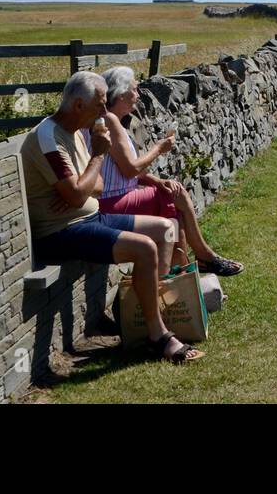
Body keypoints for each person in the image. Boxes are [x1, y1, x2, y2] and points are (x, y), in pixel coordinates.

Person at [21, 72, 202, 363]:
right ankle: (158, 335)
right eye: (100, 105)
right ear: (79, 105)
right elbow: (79, 195)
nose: (104, 112)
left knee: (165, 229)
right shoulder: (48, 138)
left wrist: (81, 185)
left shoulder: (73, 131)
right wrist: (97, 158)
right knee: (145, 248)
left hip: (88, 218)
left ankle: (142, 314)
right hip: (62, 231)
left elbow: (97, 187)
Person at [94, 67, 242, 276]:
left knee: (173, 215)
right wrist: (159, 148)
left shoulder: (111, 120)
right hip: (110, 202)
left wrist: (154, 180)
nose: (138, 95)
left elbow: (122, 168)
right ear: (120, 94)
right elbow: (129, 170)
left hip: (118, 197)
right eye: (134, 90)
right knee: (176, 193)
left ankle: (183, 274)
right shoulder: (110, 120)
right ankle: (202, 257)